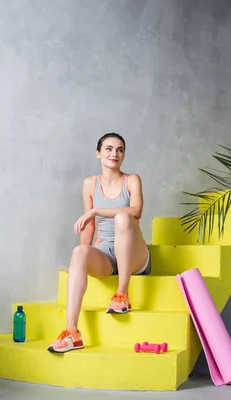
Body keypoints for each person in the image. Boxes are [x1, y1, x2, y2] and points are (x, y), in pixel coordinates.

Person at [47, 132, 151, 353]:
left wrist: (95, 210)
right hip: (106, 252)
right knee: (79, 252)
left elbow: (136, 211)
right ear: (98, 153)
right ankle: (71, 332)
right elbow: (90, 226)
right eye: (109, 149)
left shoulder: (131, 180)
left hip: (134, 253)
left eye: (120, 150)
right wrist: (80, 261)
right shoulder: (89, 184)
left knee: (123, 217)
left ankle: (122, 294)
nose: (115, 153)